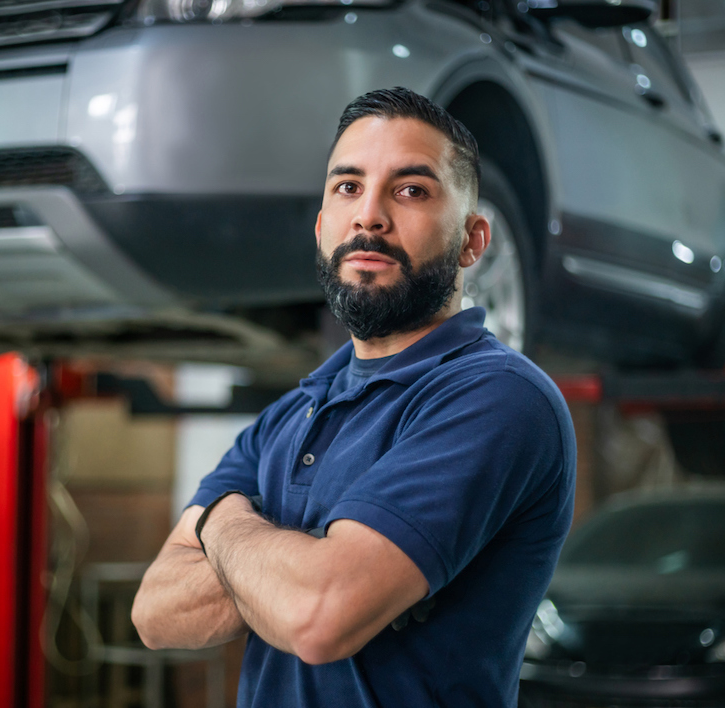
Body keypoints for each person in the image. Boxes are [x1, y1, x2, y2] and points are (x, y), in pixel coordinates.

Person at [131, 87, 576, 707]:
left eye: (411, 190)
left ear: (473, 240)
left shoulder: (498, 399)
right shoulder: (289, 415)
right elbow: (156, 613)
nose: (369, 215)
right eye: (347, 187)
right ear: (322, 229)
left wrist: (223, 520)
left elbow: (318, 617)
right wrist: (303, 563)